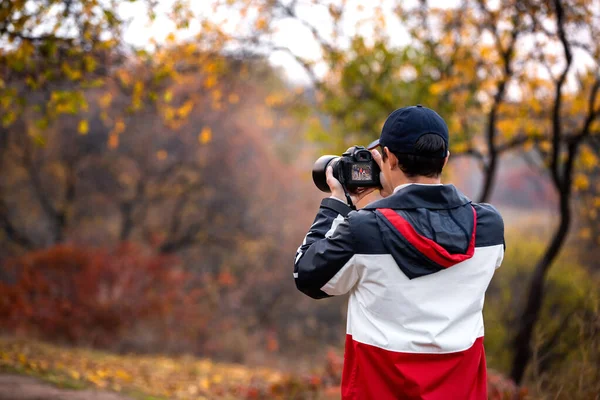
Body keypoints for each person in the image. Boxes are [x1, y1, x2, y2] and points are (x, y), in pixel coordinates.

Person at [293, 105, 505, 400]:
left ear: (389, 157)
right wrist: (392, 205)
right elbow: (434, 241)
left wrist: (339, 204)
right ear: (444, 159)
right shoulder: (488, 228)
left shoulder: (363, 231)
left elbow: (307, 274)